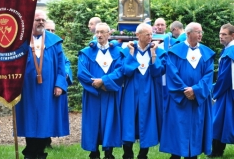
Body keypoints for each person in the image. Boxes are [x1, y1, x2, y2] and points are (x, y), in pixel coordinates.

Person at [15, 10, 69, 159]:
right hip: (27, 89)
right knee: (29, 119)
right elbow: (12, 64)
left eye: (42, 20)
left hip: (48, 89)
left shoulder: (54, 42)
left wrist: (59, 84)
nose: (40, 22)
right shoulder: (21, 40)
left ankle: (40, 153)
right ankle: (30, 152)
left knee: (45, 120)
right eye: (37, 20)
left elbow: (61, 66)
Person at [160, 22, 215, 159]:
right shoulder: (174, 52)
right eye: (198, 32)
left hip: (198, 100)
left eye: (201, 32)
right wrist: (185, 90)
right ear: (188, 33)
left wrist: (195, 90)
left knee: (196, 131)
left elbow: (209, 75)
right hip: (180, 100)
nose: (200, 34)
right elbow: (172, 74)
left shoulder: (207, 53)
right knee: (178, 131)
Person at [77, 22, 124, 159]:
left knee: (110, 121)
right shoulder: (87, 52)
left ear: (109, 34)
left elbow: (121, 71)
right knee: (93, 122)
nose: (99, 35)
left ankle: (108, 152)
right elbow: (82, 73)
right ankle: (94, 152)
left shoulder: (117, 52)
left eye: (102, 32)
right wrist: (96, 84)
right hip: (93, 94)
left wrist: (104, 81)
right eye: (97, 32)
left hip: (110, 94)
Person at [120, 23, 167, 159]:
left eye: (151, 34)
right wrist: (131, 55)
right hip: (130, 90)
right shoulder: (127, 50)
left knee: (147, 119)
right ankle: (127, 152)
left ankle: (143, 153)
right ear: (138, 35)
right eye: (147, 34)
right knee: (128, 119)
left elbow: (158, 72)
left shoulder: (158, 51)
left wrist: (153, 56)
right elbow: (126, 71)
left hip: (149, 90)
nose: (151, 37)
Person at [44, 19, 73, 148]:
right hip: (43, 84)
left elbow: (65, 62)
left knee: (51, 113)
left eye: (53, 30)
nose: (51, 32)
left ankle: (48, 140)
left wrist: (64, 77)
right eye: (48, 30)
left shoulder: (56, 45)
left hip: (55, 84)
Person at [207, 23, 234, 158]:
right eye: (220, 34)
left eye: (224, 34)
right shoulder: (227, 51)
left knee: (219, 120)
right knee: (221, 121)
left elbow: (225, 77)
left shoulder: (230, 53)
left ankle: (217, 151)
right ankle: (217, 150)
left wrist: (215, 92)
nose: (221, 37)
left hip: (227, 92)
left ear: (232, 36)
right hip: (227, 91)